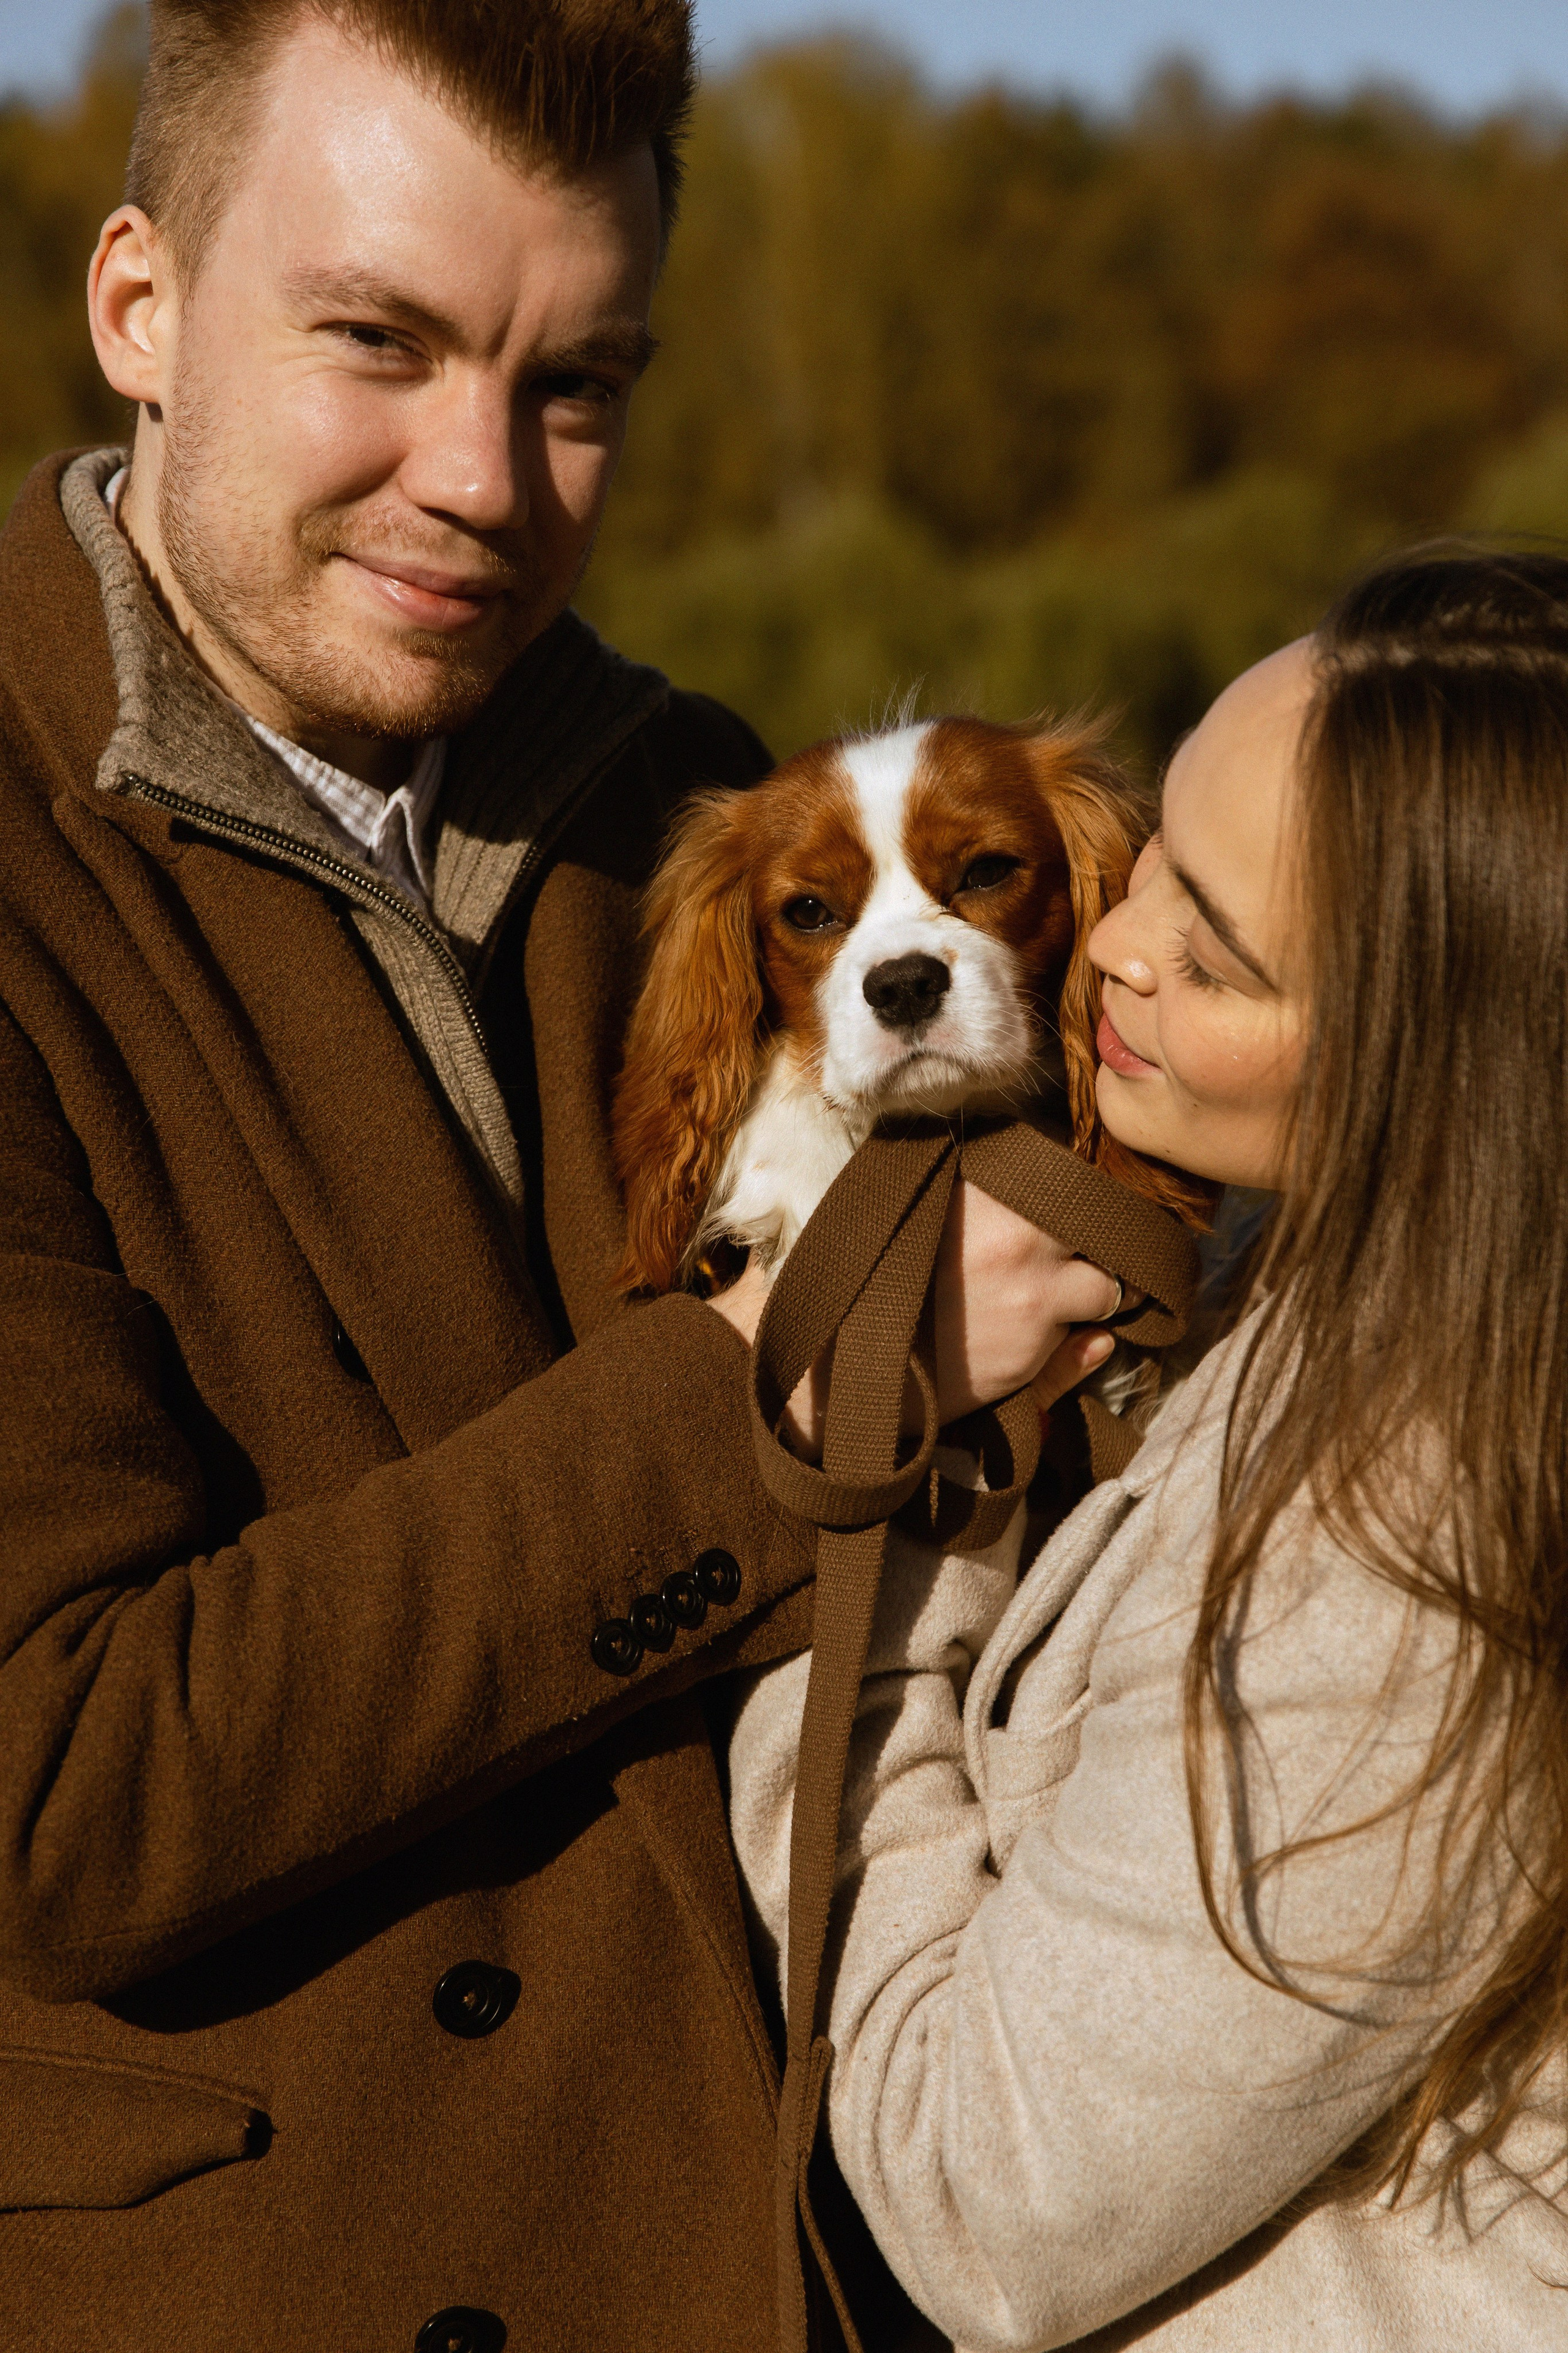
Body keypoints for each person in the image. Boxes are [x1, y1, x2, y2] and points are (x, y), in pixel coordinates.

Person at [0, 4, 1115, 2347]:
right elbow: (74, 1793)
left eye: (575, 383)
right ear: (140, 304)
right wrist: (795, 1388)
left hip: (796, 2239)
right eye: (379, 345)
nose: (487, 480)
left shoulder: (690, 800)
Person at [731, 551, 1568, 2350]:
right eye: (1162, 852)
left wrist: (859, 1575)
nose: (1111, 933)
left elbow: (992, 2205)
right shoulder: (1344, 1280)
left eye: (1221, 948)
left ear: (1455, 1063)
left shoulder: (1420, 1546)